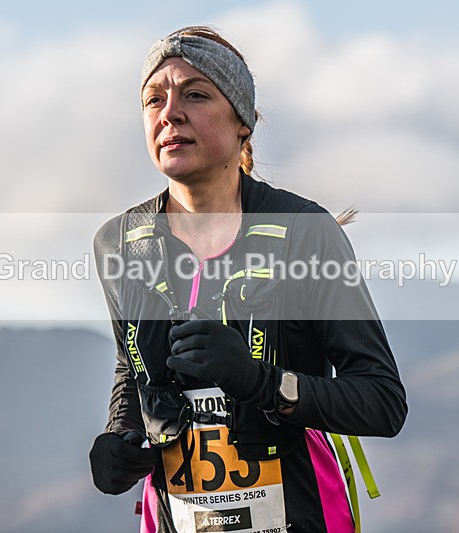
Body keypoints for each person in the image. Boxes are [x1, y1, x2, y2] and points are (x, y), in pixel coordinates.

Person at [89, 26, 407, 532]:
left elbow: (382, 403)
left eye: (195, 94)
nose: (170, 112)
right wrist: (118, 438)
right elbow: (132, 370)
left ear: (242, 123)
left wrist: (262, 383)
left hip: (303, 513)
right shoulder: (120, 243)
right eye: (154, 99)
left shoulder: (305, 232)